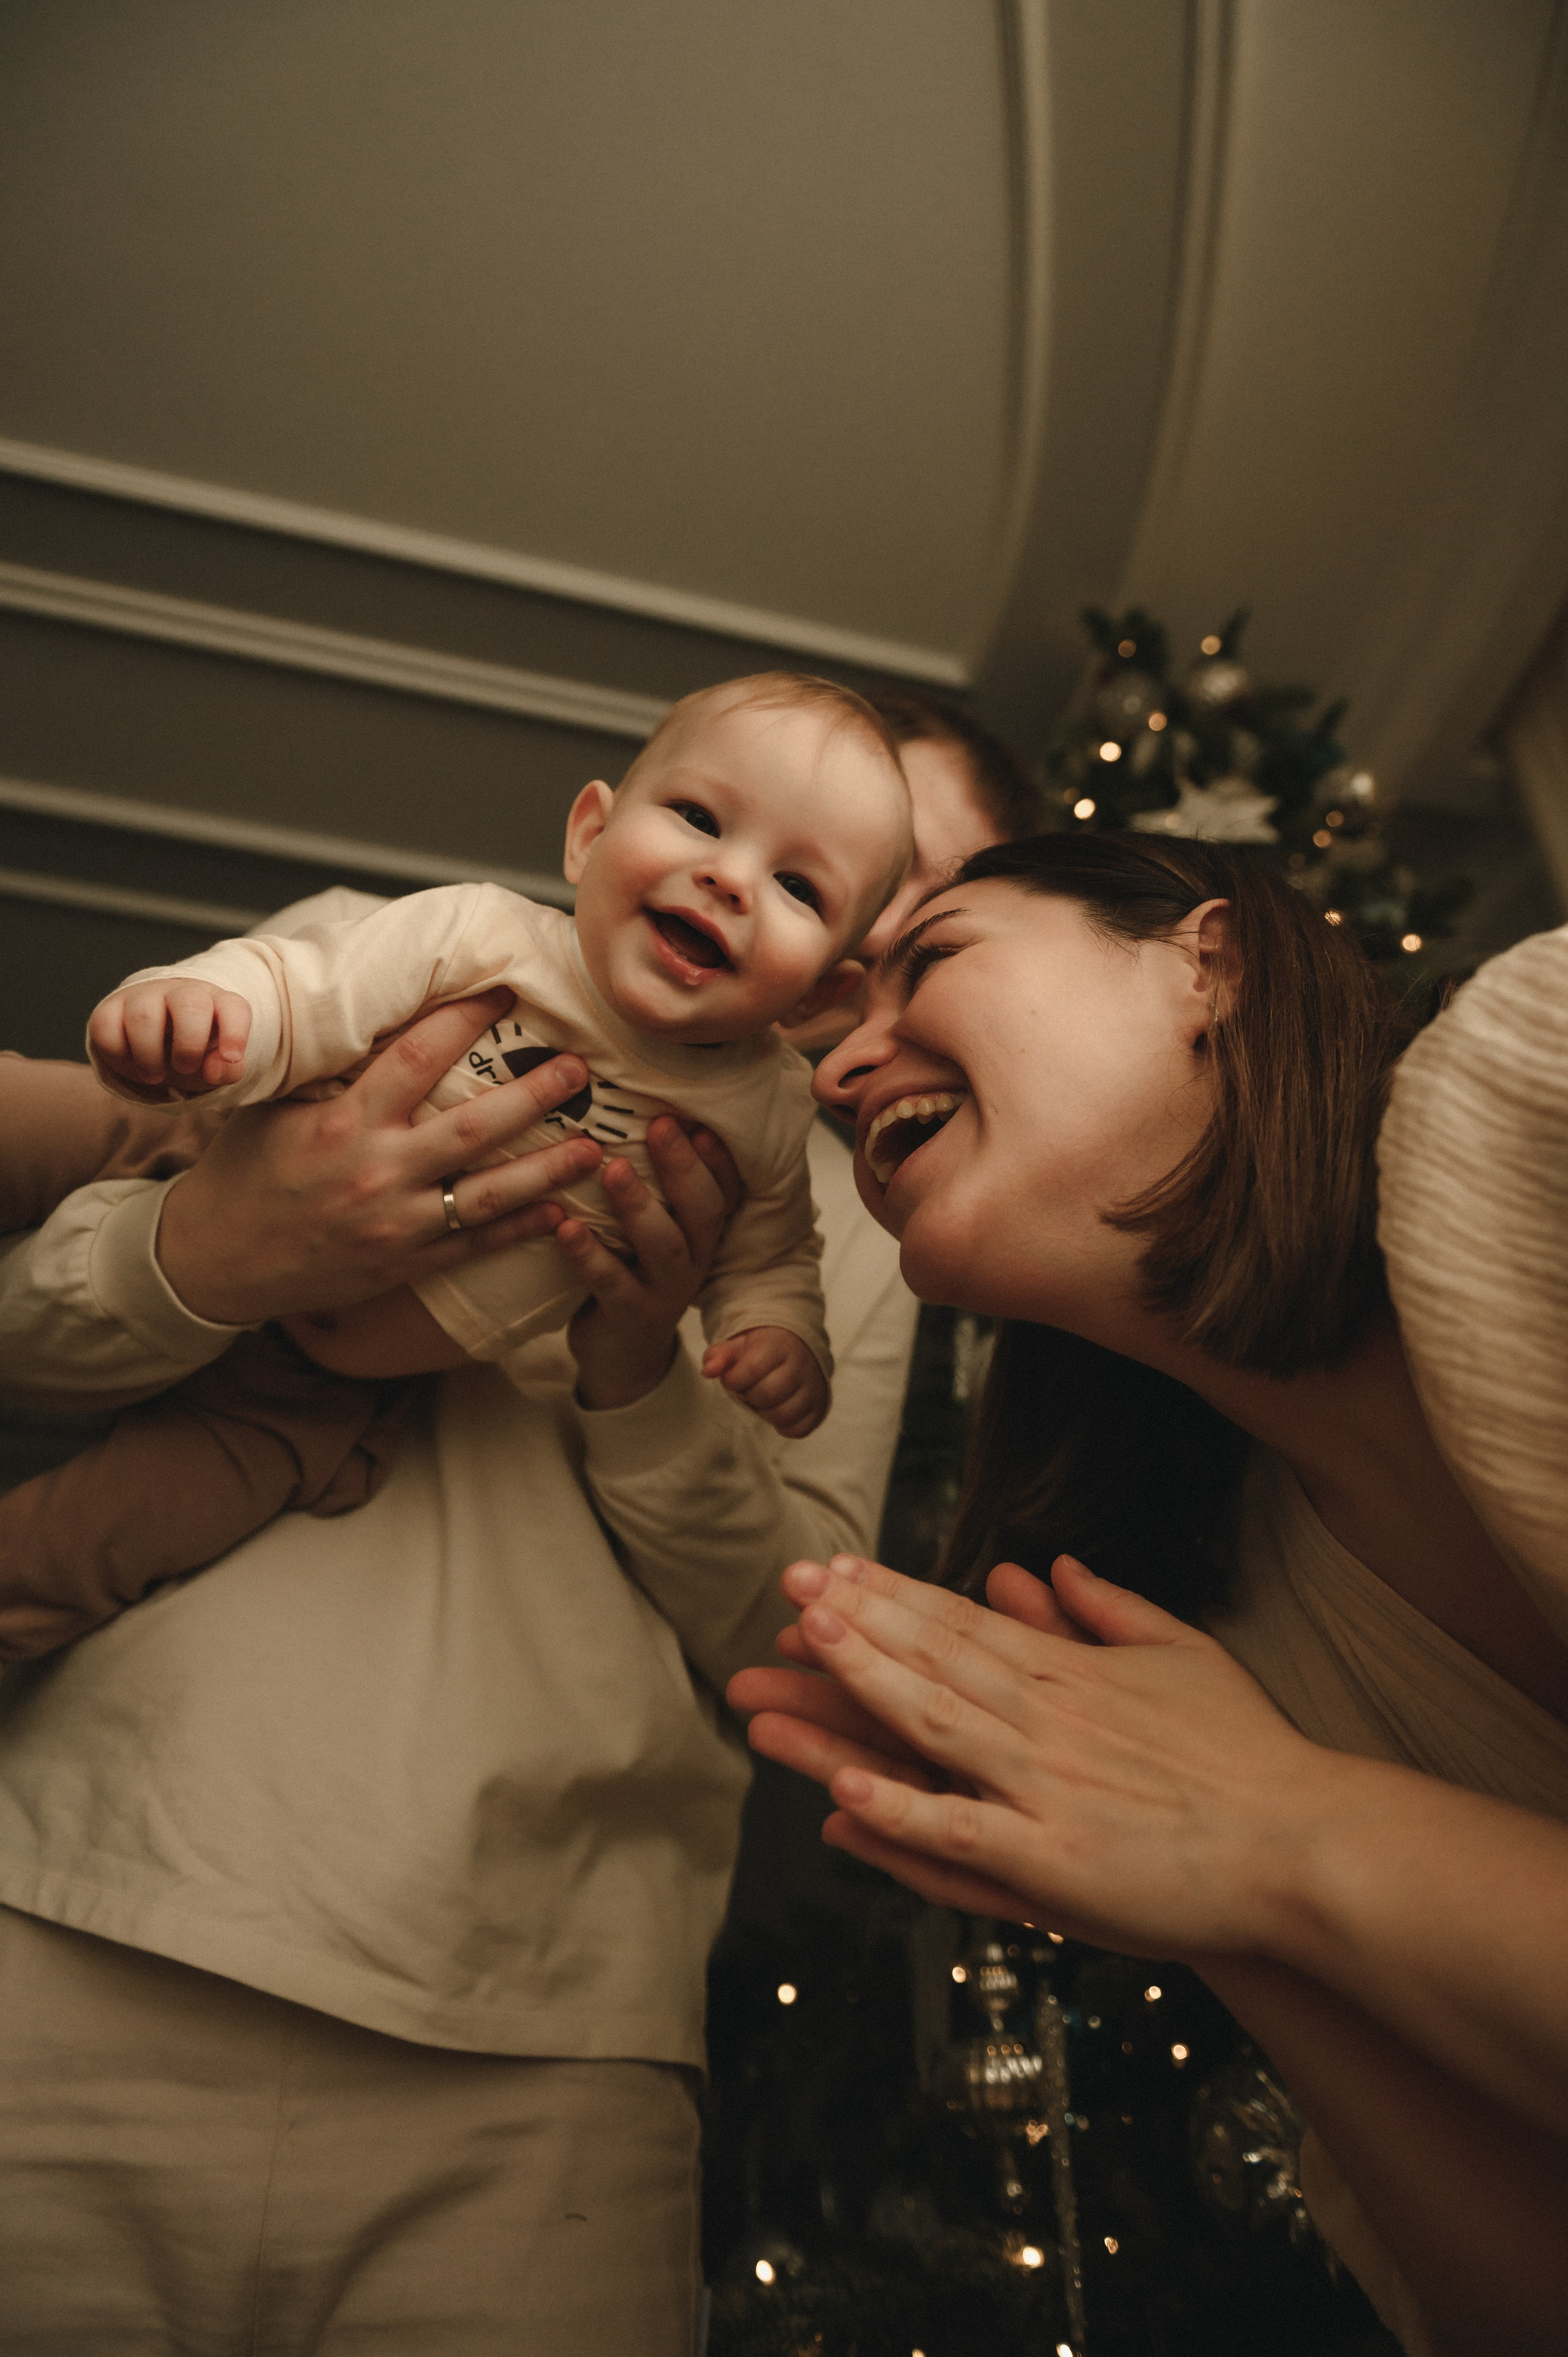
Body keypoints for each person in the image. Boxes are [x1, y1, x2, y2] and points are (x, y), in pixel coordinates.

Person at [0, 689, 1028, 2355]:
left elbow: (787, 1642)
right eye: (715, 823)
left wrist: (648, 1370)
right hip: (91, 1893)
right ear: (609, 824)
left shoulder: (857, 1226)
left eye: (897, 900)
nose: (740, 890)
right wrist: (232, 1245)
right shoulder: (410, 962)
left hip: (544, 2039)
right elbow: (26, 1349)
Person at [729, 837, 1568, 2357]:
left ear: (1213, 965)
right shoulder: (1223, 1621)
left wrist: (1276, 1826)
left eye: (933, 960)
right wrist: (1200, 1882)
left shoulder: (1529, 1099)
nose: (842, 1067)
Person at [89, 671, 916, 1433]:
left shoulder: (763, 1112)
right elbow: (309, 988)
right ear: (592, 833)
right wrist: (204, 1011)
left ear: (814, 1000)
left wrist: (776, 1333)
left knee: (90, 1542)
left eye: (798, 886)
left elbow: (770, 1258)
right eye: (700, 819)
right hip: (199, 1151)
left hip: (334, 1401)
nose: (731, 877)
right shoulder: (483, 936)